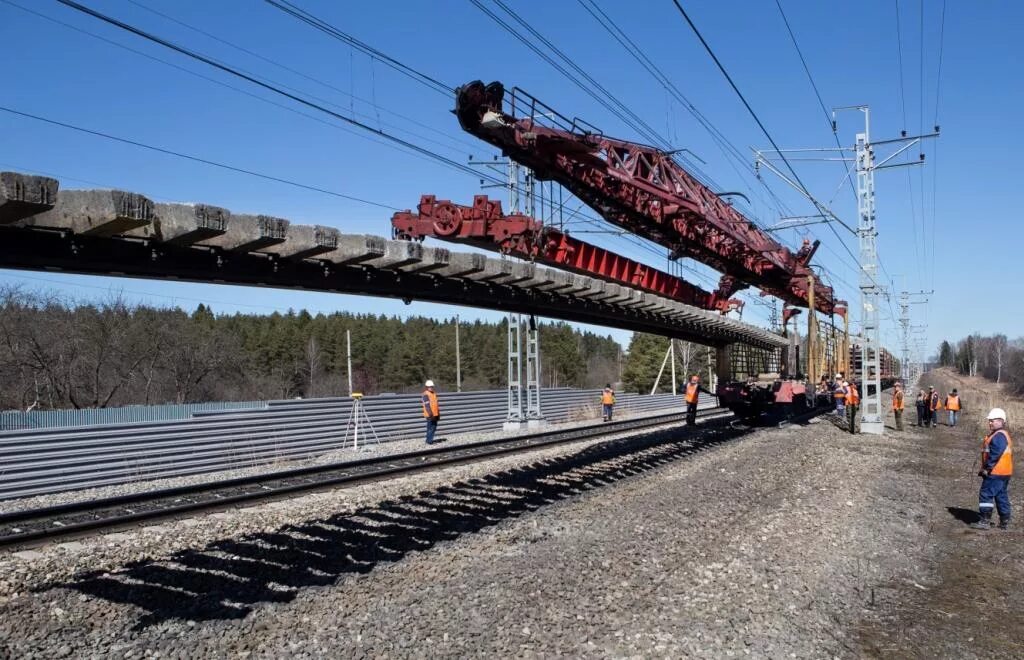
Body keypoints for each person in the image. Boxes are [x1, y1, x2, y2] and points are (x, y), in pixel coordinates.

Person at [971, 408, 1013, 530]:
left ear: (1001, 421)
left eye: (992, 420)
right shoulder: (1003, 435)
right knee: (1001, 495)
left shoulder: (999, 436)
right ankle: (1004, 520)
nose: (990, 423)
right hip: (1005, 472)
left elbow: (996, 453)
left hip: (995, 472)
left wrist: (987, 468)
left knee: (986, 494)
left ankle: (985, 521)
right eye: (989, 421)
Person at [421, 379, 440, 445]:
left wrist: (438, 414)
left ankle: (429, 440)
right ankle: (429, 441)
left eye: (432, 386)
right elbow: (427, 406)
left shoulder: (434, 394)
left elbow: (436, 405)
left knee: (433, 427)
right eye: (430, 386)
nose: (431, 387)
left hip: (435, 414)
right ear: (427, 387)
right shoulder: (425, 394)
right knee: (430, 428)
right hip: (430, 415)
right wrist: (431, 414)